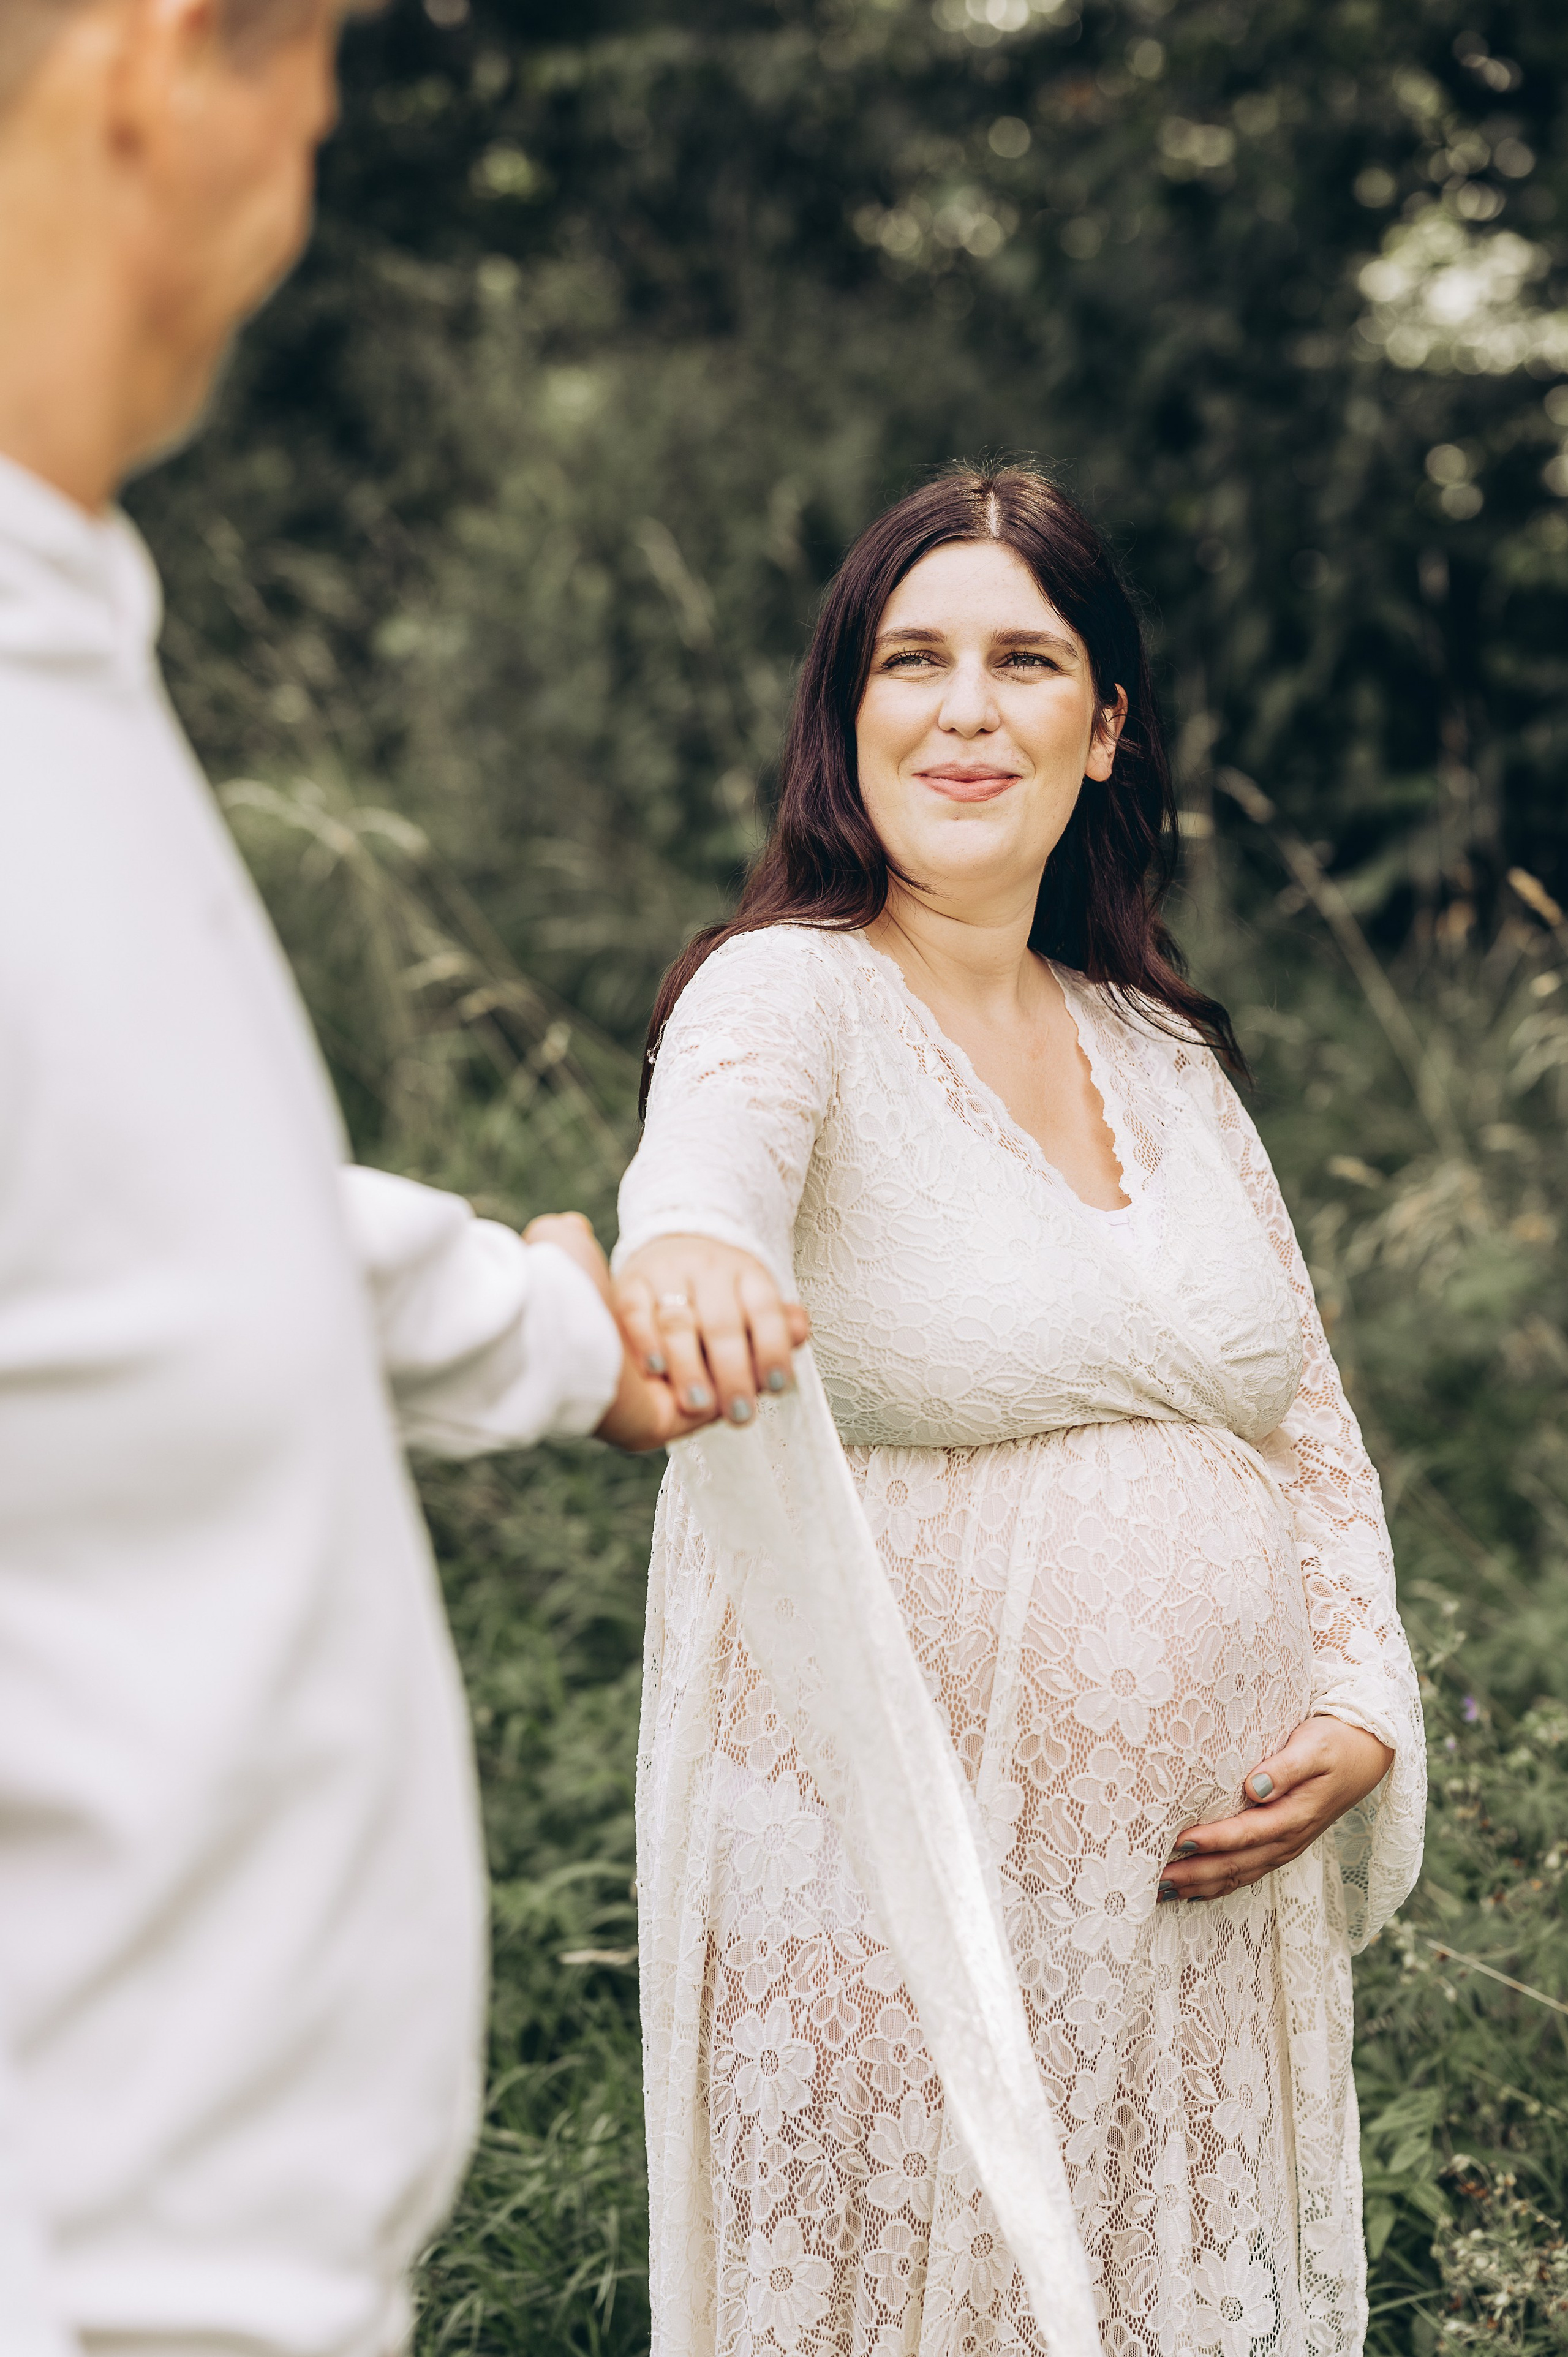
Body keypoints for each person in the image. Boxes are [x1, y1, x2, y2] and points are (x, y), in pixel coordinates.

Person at [0, 3, 776, 2351]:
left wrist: (546, 1328)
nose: (315, 165)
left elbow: (162, 1227)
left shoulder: (65, 650)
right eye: (319, 69)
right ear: (160, 62)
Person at [611, 466, 1427, 2357]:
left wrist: (1369, 1694)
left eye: (1024, 661)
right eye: (914, 659)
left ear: (1105, 723)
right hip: (889, 1889)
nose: (965, 709)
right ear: (849, 710)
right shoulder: (787, 995)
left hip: (1197, 1925)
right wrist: (695, 1257)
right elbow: (708, 1165)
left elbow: (1301, 1423)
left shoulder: (1163, 1055)